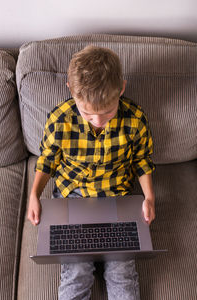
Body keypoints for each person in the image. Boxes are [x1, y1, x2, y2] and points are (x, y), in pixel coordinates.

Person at [28, 45, 155, 300]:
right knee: (76, 273)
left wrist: (149, 197)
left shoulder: (135, 118)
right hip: (72, 199)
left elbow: (142, 160)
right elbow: (47, 160)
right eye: (88, 113)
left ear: (121, 88)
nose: (98, 121)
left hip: (117, 198)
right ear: (71, 92)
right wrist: (34, 195)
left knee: (122, 275)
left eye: (108, 112)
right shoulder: (59, 119)